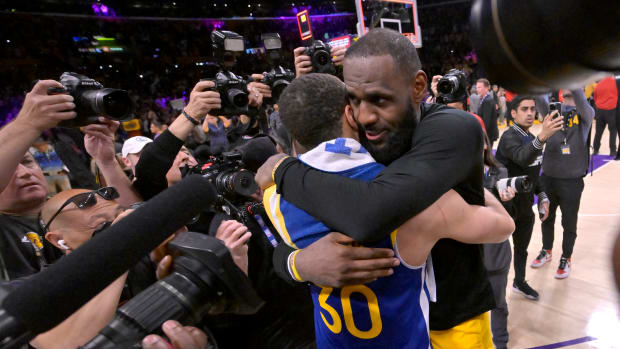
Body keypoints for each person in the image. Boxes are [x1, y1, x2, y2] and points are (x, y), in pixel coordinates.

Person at [257, 29, 499, 348]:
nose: (366, 116)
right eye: (354, 100)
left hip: (451, 317)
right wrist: (298, 263)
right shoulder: (357, 139)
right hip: (392, 323)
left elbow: (369, 213)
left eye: (379, 99)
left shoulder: (450, 128)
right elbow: (282, 249)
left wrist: (283, 167)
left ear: (417, 87)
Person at [0, 79, 75, 281]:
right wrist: (27, 123)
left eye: (28, 162)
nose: (24, 173)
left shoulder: (74, 210)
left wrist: (107, 163)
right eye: (11, 167)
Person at [495, 95, 563, 300]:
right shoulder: (509, 137)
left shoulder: (530, 136)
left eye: (532, 109)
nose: (530, 113)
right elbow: (523, 157)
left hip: (524, 206)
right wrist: (542, 137)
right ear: (513, 113)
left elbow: (534, 172)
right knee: (496, 253)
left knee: (522, 248)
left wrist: (542, 195)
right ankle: (493, 293)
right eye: (524, 109)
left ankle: (519, 281)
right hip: (503, 207)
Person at [530, 89, 594, 279]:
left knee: (569, 222)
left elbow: (582, 102)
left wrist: (571, 79)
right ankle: (547, 250)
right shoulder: (552, 113)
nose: (568, 100)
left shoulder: (586, 116)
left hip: (572, 181)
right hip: (548, 177)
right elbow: (539, 97)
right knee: (546, 217)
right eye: (565, 96)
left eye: (572, 96)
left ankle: (566, 257)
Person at [592, 76, 618, 157]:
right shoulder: (616, 83)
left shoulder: (599, 84)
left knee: (598, 132)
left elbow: (595, 97)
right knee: (613, 131)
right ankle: (612, 151)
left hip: (600, 111)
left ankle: (595, 150)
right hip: (612, 110)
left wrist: (600, 105)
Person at [477, 78, 499, 146]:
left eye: (479, 87)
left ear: (486, 88)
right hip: (488, 134)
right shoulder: (485, 99)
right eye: (477, 87)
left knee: (487, 156)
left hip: (488, 135)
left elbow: (486, 121)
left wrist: (482, 136)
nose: (477, 89)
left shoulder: (487, 101)